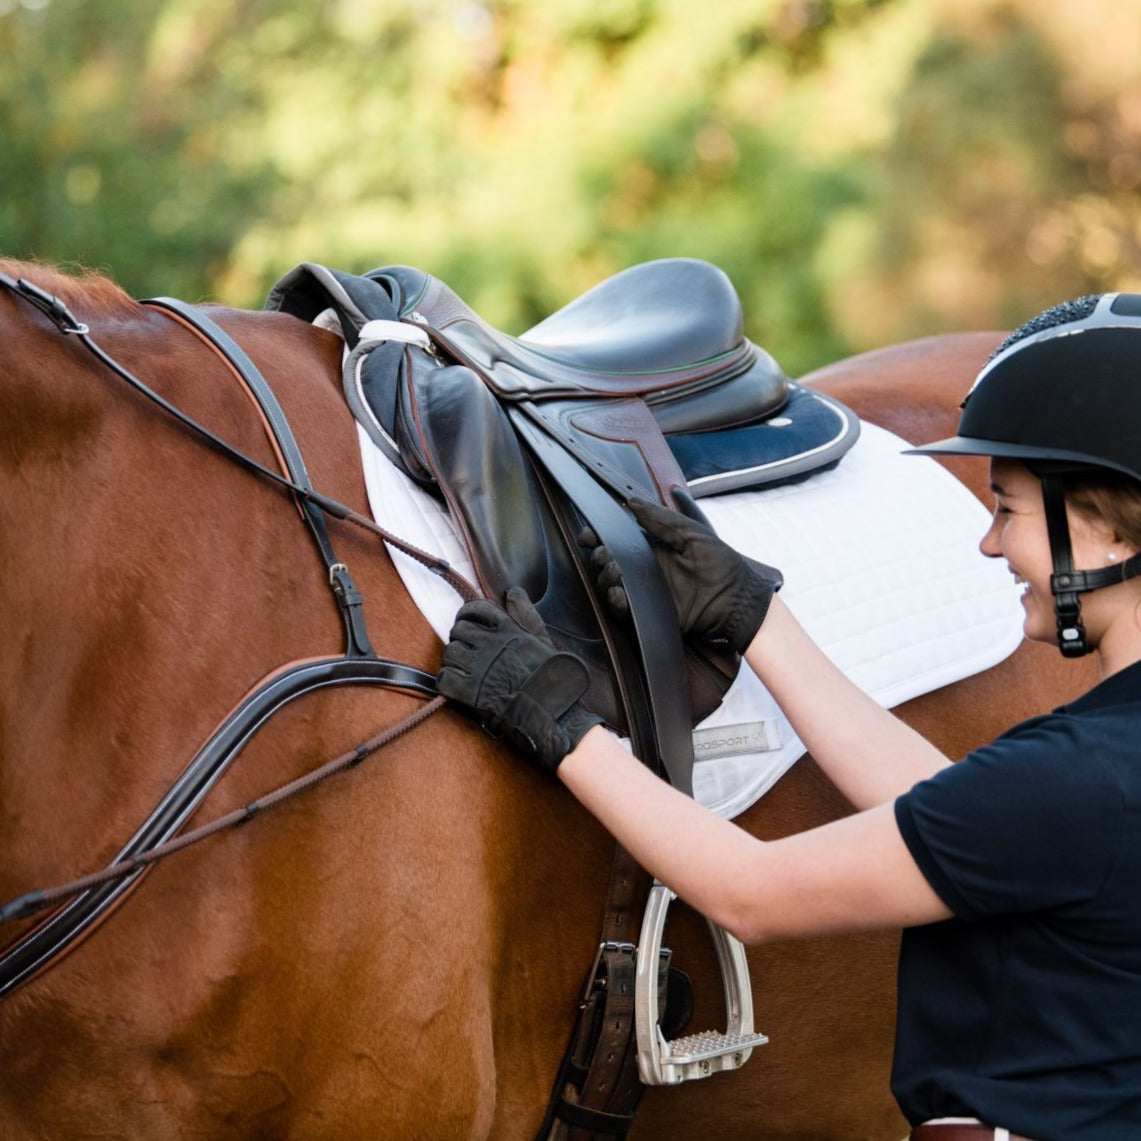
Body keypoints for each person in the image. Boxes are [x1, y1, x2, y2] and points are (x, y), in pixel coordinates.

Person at [436, 292, 1141, 1141]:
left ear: (1109, 534)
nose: (990, 545)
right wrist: (754, 616)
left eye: (1009, 509)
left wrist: (559, 725)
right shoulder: (1093, 769)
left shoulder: (1075, 773)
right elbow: (958, 814)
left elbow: (751, 893)